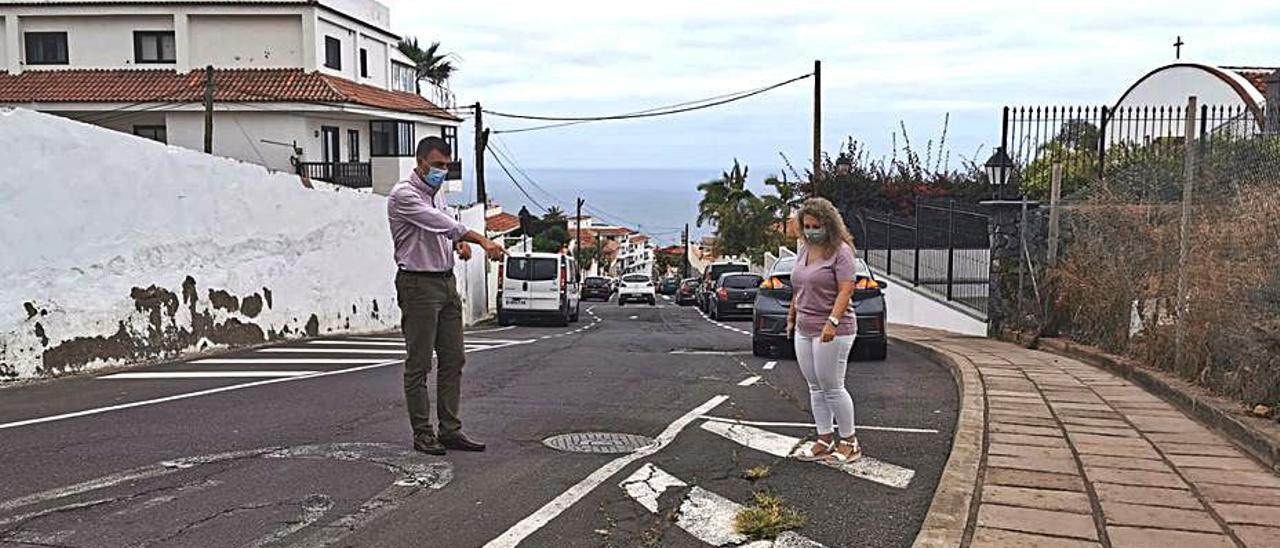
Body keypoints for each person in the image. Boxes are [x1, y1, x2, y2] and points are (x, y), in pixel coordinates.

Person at [387, 136, 505, 455]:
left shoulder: (436, 194)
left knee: (453, 358)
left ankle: (450, 430)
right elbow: (438, 222)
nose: (442, 171)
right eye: (437, 165)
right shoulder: (404, 195)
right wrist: (482, 240)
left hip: (445, 282)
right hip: (418, 285)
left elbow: (441, 228)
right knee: (420, 363)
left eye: (446, 166)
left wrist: (456, 243)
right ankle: (423, 433)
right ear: (420, 162)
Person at [787, 197, 862, 463]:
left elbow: (846, 289)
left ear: (828, 224)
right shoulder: (804, 249)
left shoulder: (840, 251)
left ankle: (850, 442)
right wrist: (792, 315)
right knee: (815, 387)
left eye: (815, 225)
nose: (810, 230)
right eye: (806, 225)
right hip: (804, 328)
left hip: (833, 330)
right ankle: (824, 438)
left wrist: (832, 321)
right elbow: (799, 286)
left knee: (832, 387)